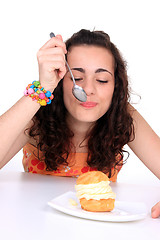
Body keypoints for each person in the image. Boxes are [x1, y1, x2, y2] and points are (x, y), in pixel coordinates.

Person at [0, 29, 159, 218]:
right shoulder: (37, 112)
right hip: (37, 219)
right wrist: (42, 89)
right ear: (60, 80)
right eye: (77, 78)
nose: (88, 89)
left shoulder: (123, 116)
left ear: (115, 86)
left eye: (102, 80)